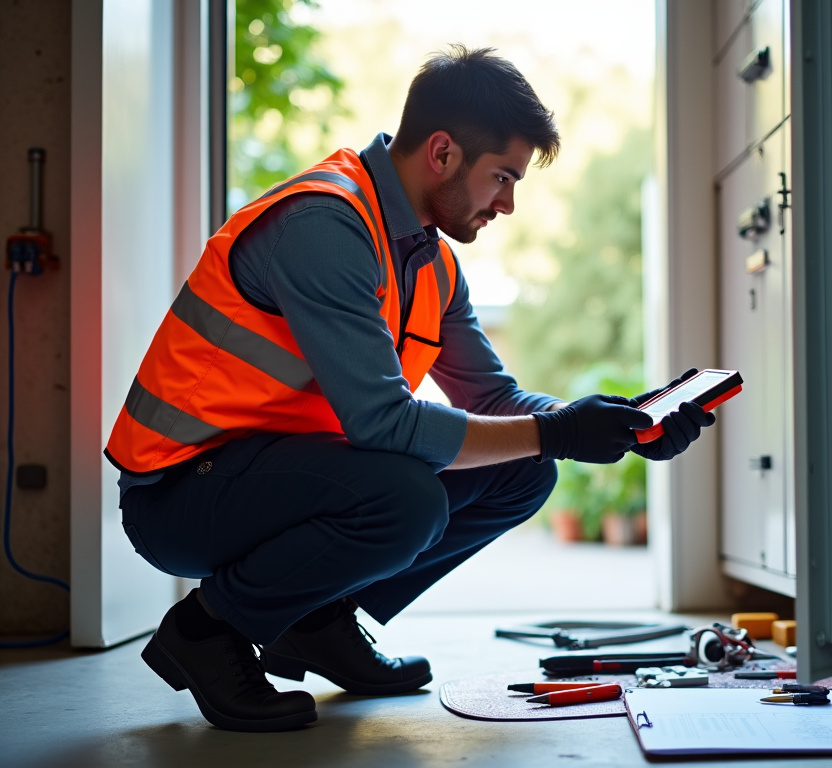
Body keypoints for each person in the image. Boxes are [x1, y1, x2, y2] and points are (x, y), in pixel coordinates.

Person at [105, 45, 713, 732]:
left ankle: (316, 619)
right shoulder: (323, 226)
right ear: (444, 152)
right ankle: (205, 631)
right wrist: (564, 432)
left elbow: (496, 403)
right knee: (407, 498)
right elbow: (384, 426)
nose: (508, 205)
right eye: (503, 177)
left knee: (525, 469)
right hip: (182, 492)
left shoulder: (431, 263)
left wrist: (620, 423)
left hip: (282, 479)